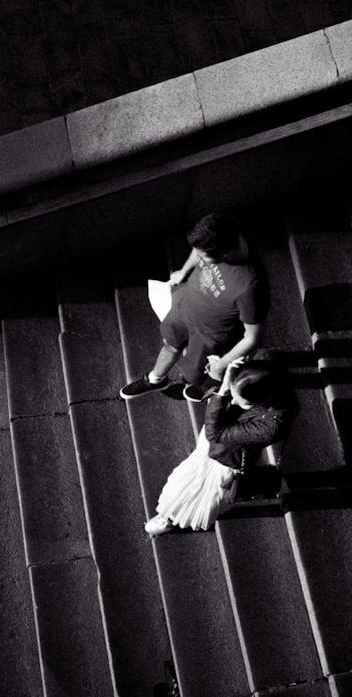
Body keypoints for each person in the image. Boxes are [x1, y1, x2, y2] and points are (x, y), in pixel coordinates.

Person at [120, 212, 268, 403]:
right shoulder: (219, 233)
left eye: (205, 256)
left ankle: (208, 386)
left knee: (194, 374)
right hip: (185, 306)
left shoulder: (250, 285)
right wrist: (184, 271)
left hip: (209, 336)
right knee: (169, 344)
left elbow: (253, 337)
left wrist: (221, 364)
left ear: (224, 254)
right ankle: (155, 380)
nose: (200, 257)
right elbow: (199, 249)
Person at [144, 356, 294, 535]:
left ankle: (175, 516)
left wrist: (223, 390)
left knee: (206, 491)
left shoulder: (272, 425)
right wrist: (224, 373)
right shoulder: (252, 380)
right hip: (218, 444)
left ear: (262, 399)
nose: (235, 402)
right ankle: (172, 513)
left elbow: (216, 434)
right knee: (190, 478)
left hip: (226, 456)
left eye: (242, 402)